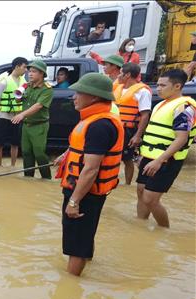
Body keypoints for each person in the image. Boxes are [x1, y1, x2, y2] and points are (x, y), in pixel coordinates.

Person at [54, 73, 124, 276]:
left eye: (79, 93)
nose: (74, 97)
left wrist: (74, 201)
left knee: (76, 243)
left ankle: (71, 286)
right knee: (84, 234)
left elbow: (91, 169)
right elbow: (83, 148)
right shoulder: (95, 119)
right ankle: (87, 259)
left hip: (84, 193)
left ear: (93, 97)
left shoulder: (99, 126)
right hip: (85, 191)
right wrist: (66, 154)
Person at [136, 69, 195, 228]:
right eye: (158, 85)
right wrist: (144, 154)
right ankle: (140, 226)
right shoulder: (161, 104)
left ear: (177, 86)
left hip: (167, 160)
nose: (158, 89)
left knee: (150, 199)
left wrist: (159, 161)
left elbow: (181, 138)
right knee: (141, 191)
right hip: (150, 157)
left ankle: (164, 230)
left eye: (163, 85)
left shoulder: (185, 107)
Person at [12, 60, 53, 179]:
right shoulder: (27, 86)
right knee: (26, 153)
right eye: (29, 71)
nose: (30, 74)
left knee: (39, 153)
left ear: (42, 74)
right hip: (27, 125)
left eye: (34, 72)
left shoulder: (47, 89)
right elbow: (18, 100)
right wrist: (18, 92)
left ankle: (46, 179)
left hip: (39, 125)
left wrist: (22, 115)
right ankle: (28, 178)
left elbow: (39, 106)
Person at [115, 63, 152, 185]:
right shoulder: (117, 88)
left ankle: (127, 185)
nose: (119, 75)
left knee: (127, 159)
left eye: (121, 73)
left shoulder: (142, 92)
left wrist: (137, 135)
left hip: (128, 130)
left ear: (128, 75)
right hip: (114, 128)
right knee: (110, 157)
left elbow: (145, 115)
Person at [0, 57, 28, 167]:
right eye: (24, 67)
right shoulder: (5, 82)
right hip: (4, 116)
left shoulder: (24, 82)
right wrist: (4, 109)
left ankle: (13, 166)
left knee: (15, 143)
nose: (26, 70)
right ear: (17, 67)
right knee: (0, 143)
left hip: (17, 117)